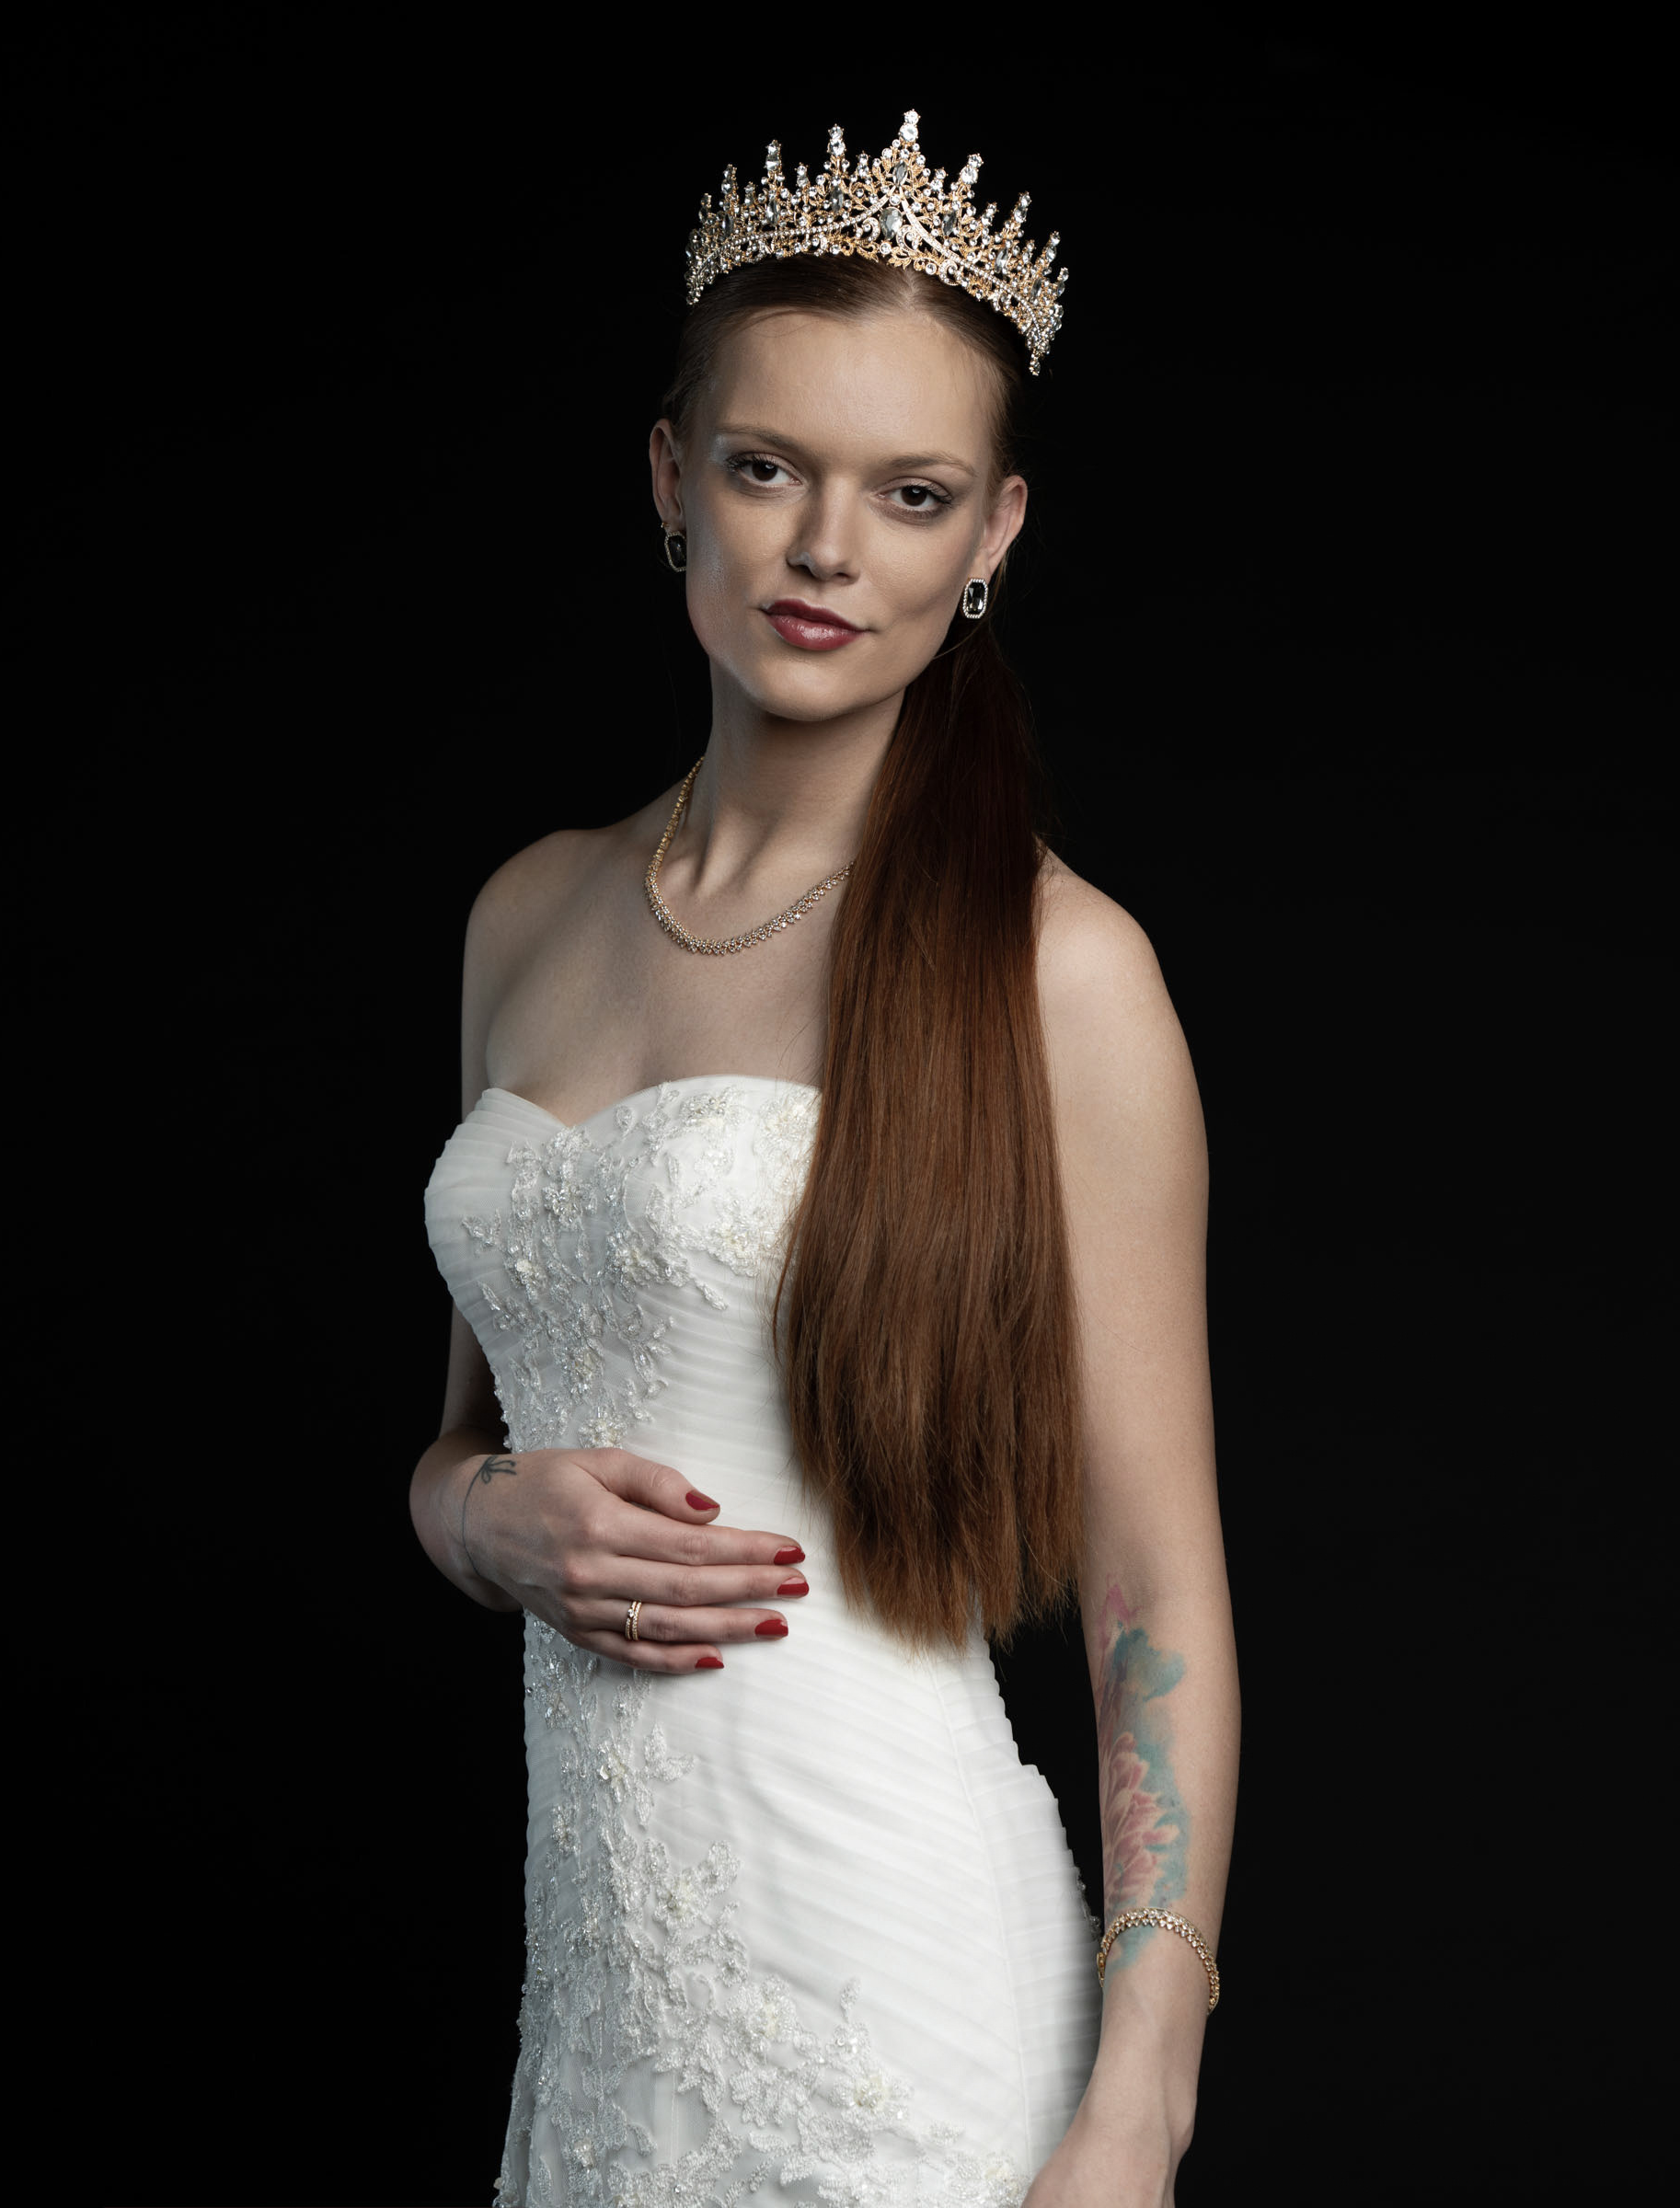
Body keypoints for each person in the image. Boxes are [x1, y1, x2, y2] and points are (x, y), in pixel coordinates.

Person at [415, 110, 1238, 2208]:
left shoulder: (1057, 969)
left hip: (897, 1981)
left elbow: (1156, 1592)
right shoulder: (528, 916)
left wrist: (1136, 2108)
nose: (825, 549)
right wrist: (471, 1522)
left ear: (995, 538)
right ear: (672, 479)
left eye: (914, 494)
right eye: (770, 466)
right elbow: (464, 1443)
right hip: (599, 2002)